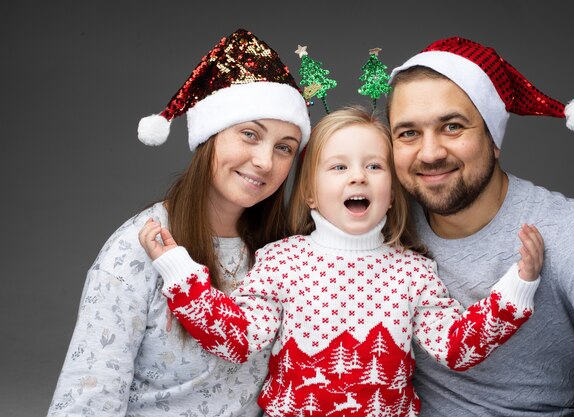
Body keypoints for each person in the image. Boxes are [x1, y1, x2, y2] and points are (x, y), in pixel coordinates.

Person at [139, 105, 544, 416]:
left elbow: (457, 347)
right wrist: (178, 269)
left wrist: (518, 284)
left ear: (392, 189)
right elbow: (235, 340)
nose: (358, 177)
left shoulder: (413, 273)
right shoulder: (282, 262)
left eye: (374, 165)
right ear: (311, 193)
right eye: (338, 167)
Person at [46, 28, 311, 417]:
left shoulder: (284, 253)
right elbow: (89, 399)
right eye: (249, 134)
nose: (265, 162)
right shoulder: (140, 248)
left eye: (284, 147)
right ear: (210, 136)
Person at [387, 36, 574, 416]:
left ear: (493, 138)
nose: (430, 153)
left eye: (452, 126)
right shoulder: (381, 228)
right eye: (409, 133)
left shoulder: (569, 234)